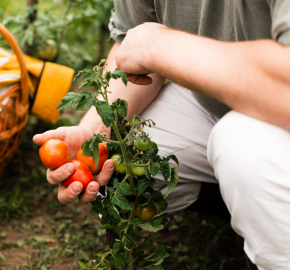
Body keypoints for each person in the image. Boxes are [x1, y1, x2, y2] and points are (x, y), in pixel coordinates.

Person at [33, 1, 290, 270]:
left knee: (243, 146)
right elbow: (132, 46)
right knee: (121, 170)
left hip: (280, 111)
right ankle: (250, 218)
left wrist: (157, 45)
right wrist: (95, 133)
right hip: (209, 99)